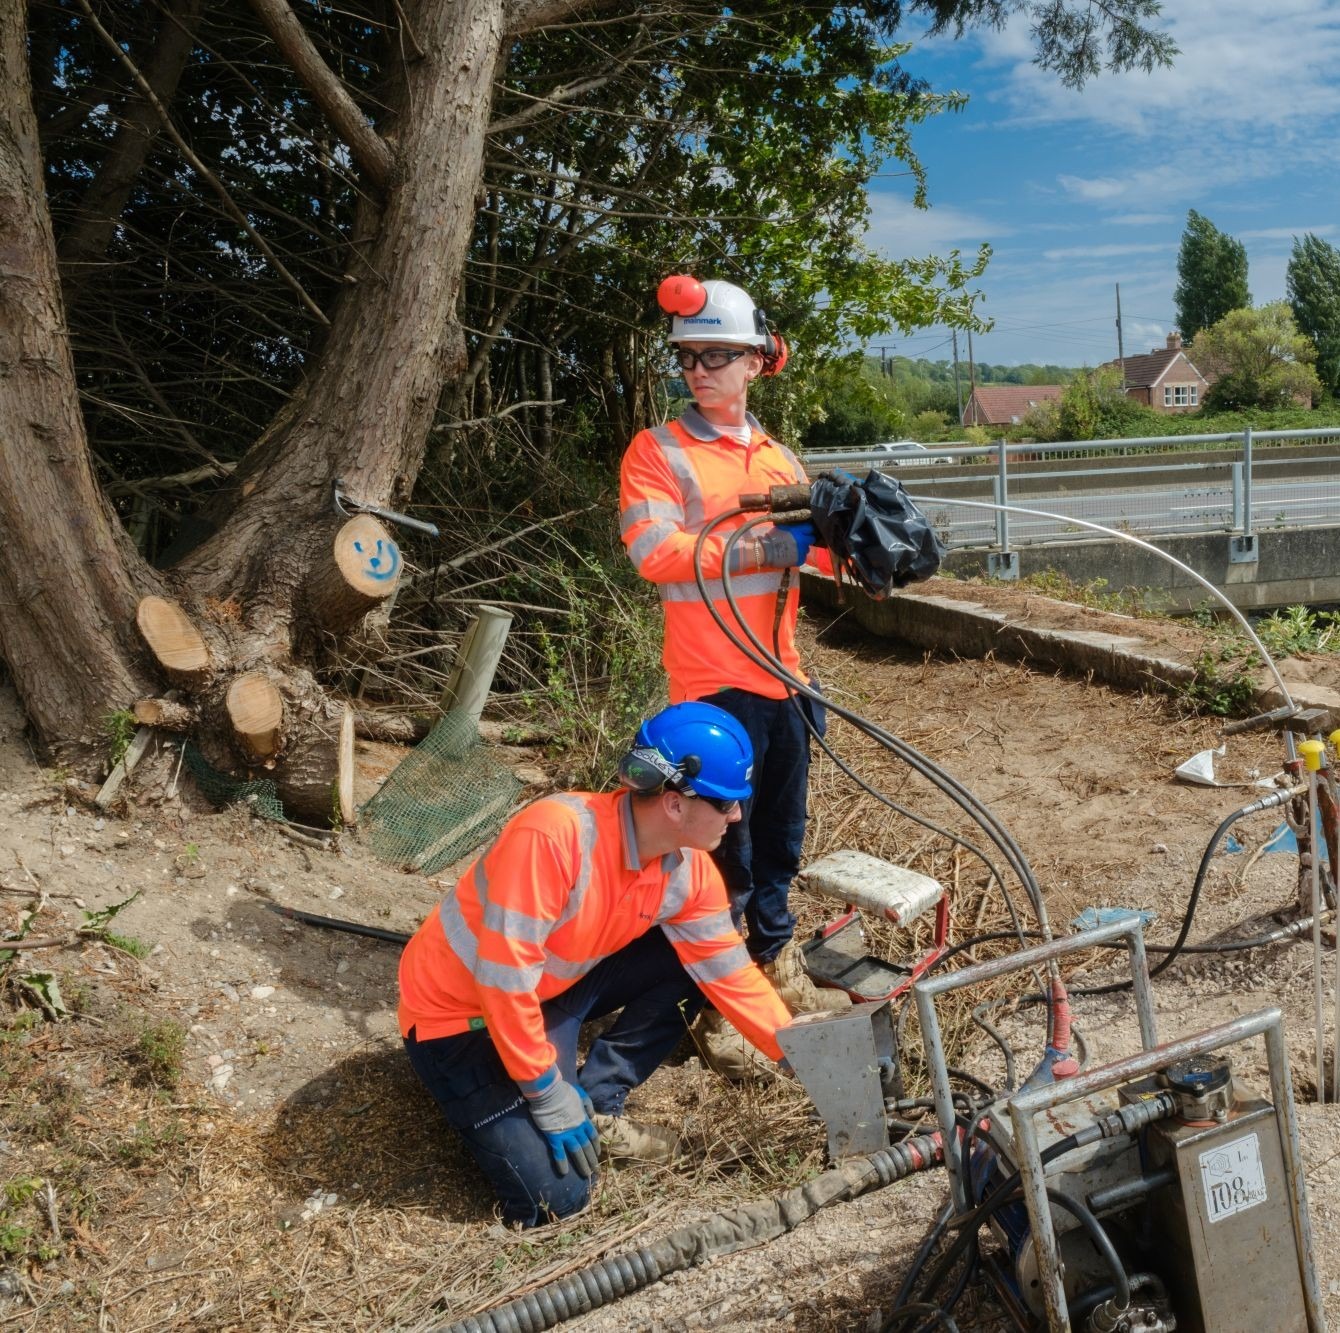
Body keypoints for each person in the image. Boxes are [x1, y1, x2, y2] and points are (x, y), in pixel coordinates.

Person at [397, 701, 793, 1228]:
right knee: (557, 1198)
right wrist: (544, 1093)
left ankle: (598, 1098)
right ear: (674, 804)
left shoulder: (689, 871)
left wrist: (800, 1053)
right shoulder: (556, 835)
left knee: (692, 961)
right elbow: (503, 977)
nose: (737, 815)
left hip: (548, 991)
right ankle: (526, 1096)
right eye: (725, 804)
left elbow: (729, 972)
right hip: (458, 1016)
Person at [619, 274, 841, 1013]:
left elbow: (811, 555)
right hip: (711, 685)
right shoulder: (658, 452)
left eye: (716, 356)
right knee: (721, 852)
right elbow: (653, 550)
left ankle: (771, 961)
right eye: (687, 358)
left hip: (784, 681)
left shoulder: (781, 461)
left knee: (780, 836)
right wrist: (760, 548)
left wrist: (866, 554)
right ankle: (711, 994)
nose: (698, 371)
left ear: (757, 360)